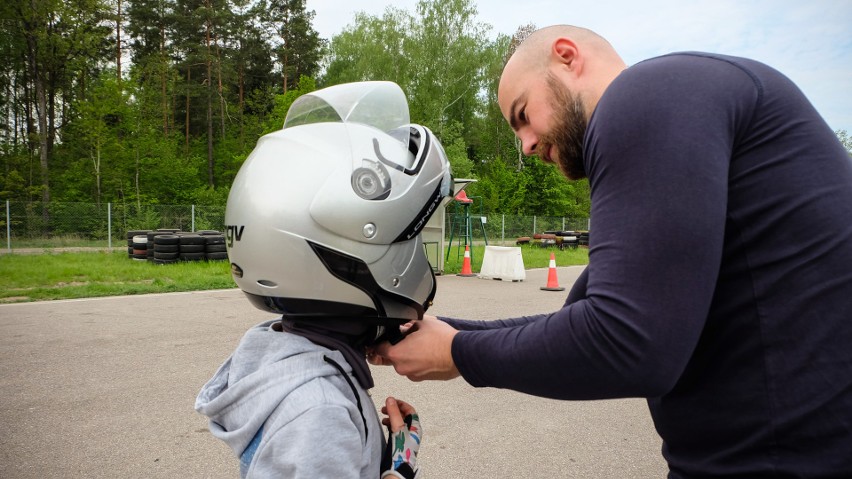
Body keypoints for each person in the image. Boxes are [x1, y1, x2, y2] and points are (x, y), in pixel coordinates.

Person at [372, 25, 852, 477]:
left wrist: (457, 353)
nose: (528, 144)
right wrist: (449, 332)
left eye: (523, 115)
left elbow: (625, 342)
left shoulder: (647, 94)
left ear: (566, 57)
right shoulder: (680, 112)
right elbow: (578, 320)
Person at [195, 81, 451, 478]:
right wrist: (402, 472)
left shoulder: (282, 359)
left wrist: (392, 459)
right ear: (362, 243)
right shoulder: (321, 413)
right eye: (412, 235)